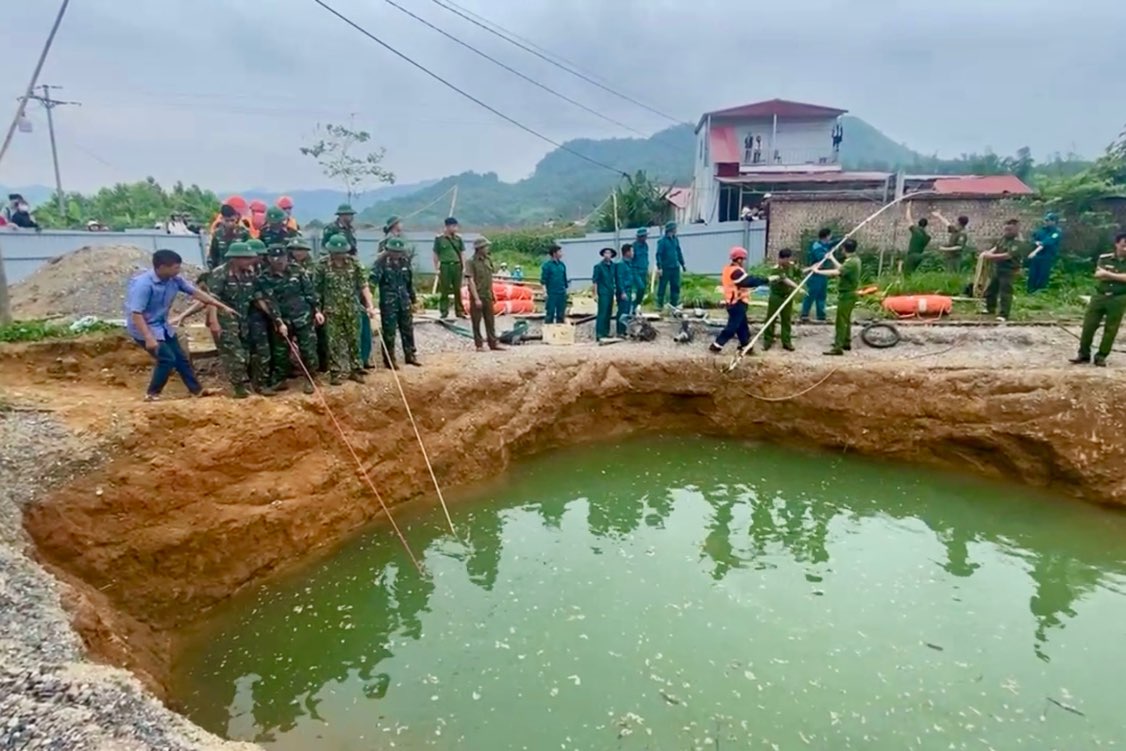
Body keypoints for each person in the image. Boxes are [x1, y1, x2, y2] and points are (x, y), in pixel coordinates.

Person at [124, 249, 234, 401]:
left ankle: (197, 390)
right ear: (162, 267)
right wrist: (149, 338)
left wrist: (221, 306)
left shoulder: (175, 279)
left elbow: (195, 293)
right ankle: (152, 394)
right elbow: (136, 314)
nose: (178, 270)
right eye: (175, 267)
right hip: (144, 327)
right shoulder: (143, 285)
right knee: (167, 359)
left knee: (181, 358)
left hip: (162, 326)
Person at [194, 242, 270, 399]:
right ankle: (239, 388)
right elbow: (212, 300)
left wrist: (274, 316)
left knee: (246, 354)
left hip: (243, 318)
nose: (251, 261)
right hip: (225, 320)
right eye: (247, 258)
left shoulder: (249, 273)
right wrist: (214, 322)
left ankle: (247, 385)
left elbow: (257, 298)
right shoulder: (219, 274)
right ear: (235, 259)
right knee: (235, 355)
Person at [256, 245, 323, 393]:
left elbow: (309, 291)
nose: (278, 261)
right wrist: (278, 321)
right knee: (280, 352)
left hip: (303, 316)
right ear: (268, 259)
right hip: (283, 319)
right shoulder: (264, 277)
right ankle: (280, 380)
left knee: (308, 349)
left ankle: (311, 378)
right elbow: (270, 301)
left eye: (281, 258)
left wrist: (317, 310)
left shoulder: (298, 271)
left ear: (287, 257)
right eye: (274, 258)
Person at [315, 234, 374, 385]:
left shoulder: (354, 264)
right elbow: (316, 290)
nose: (338, 255)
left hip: (352, 309)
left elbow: (363, 285)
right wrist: (317, 310)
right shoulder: (322, 265)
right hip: (332, 310)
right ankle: (335, 372)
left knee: (354, 340)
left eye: (341, 252)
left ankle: (356, 370)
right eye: (336, 252)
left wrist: (370, 305)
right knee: (333, 342)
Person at [1070, 232, 1126, 367]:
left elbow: (1107, 275)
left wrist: (1107, 274)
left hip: (1119, 297)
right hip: (1100, 295)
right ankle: (1083, 354)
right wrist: (1117, 276)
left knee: (1111, 329)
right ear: (1117, 244)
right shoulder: (1105, 258)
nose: (1125, 249)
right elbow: (1098, 275)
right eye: (1123, 245)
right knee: (1089, 325)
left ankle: (1101, 356)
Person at [370, 236, 420, 369]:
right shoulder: (380, 263)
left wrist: (413, 300)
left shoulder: (405, 262)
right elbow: (372, 282)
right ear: (388, 250)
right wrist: (369, 301)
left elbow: (409, 283)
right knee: (389, 331)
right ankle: (389, 359)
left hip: (404, 301)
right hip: (389, 303)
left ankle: (410, 355)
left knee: (407, 329)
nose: (397, 254)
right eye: (394, 251)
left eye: (399, 252)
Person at [709, 246, 768, 353]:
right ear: (739, 259)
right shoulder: (736, 272)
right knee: (732, 327)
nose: (744, 262)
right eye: (743, 259)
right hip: (737, 302)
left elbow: (745, 280)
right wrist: (765, 280)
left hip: (733, 301)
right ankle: (717, 345)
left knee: (742, 326)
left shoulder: (729, 269)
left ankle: (745, 345)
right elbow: (747, 281)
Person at [815, 239, 861, 356]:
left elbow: (836, 272)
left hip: (847, 295)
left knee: (841, 321)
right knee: (846, 319)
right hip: (849, 294)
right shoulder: (853, 260)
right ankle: (846, 342)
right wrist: (832, 258)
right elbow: (842, 268)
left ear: (844, 249)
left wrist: (818, 272)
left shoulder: (851, 262)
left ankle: (838, 347)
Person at [465, 236, 505, 351]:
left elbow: (489, 278)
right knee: (476, 321)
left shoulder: (488, 260)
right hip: (477, 295)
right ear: (480, 248)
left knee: (490, 320)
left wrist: (493, 293)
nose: (487, 249)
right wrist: (476, 298)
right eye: (485, 247)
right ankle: (479, 345)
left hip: (487, 294)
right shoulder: (471, 262)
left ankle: (493, 343)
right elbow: (471, 281)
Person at [980, 219, 1023, 322]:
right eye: (1005, 229)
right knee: (991, 290)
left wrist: (990, 256)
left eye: (1009, 230)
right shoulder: (1004, 238)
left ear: (1016, 229)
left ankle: (1004, 314)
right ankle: (990, 308)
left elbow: (1007, 255)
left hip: (1009, 270)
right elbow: (997, 247)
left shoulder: (1018, 242)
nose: (1006, 232)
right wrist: (988, 253)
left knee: (1005, 292)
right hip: (998, 268)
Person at [762, 247, 801, 352]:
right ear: (781, 259)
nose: (788, 261)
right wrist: (797, 287)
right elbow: (785, 280)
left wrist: (812, 268)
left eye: (789, 259)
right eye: (786, 259)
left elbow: (799, 273)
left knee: (786, 319)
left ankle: (786, 342)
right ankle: (767, 340)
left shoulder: (791, 267)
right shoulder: (776, 269)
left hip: (787, 297)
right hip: (776, 297)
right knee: (771, 318)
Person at [433, 216, 467, 319]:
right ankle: (444, 311)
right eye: (453, 226)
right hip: (445, 266)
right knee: (444, 289)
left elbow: (462, 253)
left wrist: (464, 267)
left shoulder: (458, 239)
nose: (455, 228)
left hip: (456, 265)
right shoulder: (439, 239)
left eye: (456, 226)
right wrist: (436, 268)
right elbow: (435, 254)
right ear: (447, 227)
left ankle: (459, 311)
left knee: (457, 289)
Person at [800, 228, 833, 322]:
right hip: (814, 274)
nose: (831, 237)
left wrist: (845, 238)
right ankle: (804, 314)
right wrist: (827, 256)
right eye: (830, 235)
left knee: (822, 295)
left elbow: (832, 243)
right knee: (811, 294)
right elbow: (820, 257)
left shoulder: (824, 244)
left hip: (822, 273)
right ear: (827, 236)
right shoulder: (817, 246)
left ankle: (821, 316)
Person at [1027, 213, 1064, 293]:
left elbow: (1047, 243)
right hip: (1037, 256)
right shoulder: (1041, 230)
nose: (1045, 222)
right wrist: (1035, 242)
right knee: (1033, 273)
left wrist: (1034, 251)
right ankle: (1030, 290)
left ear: (1054, 222)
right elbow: (1033, 239)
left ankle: (1040, 291)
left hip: (1046, 256)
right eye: (1045, 220)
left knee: (1043, 273)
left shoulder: (1056, 232)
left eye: (1048, 220)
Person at [207, 205, 250, 269]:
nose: (230, 223)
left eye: (232, 220)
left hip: (240, 270)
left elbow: (250, 253)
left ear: (236, 218)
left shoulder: (243, 233)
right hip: (222, 270)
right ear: (222, 219)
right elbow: (213, 255)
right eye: (227, 221)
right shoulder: (217, 234)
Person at [656, 221, 686, 309]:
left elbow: (679, 252)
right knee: (662, 286)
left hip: (675, 266)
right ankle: (659, 304)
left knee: (675, 286)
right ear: (671, 229)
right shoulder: (662, 241)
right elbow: (658, 254)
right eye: (675, 228)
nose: (676, 230)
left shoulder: (675, 240)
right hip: (666, 267)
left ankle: (674, 303)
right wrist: (659, 267)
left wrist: (682, 264)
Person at [592, 247, 619, 341]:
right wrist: (595, 294)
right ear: (603, 255)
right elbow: (595, 281)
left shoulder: (613, 266)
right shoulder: (598, 266)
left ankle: (606, 332)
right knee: (602, 313)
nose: (607, 255)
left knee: (608, 312)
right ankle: (599, 333)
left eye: (609, 253)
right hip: (603, 292)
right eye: (605, 253)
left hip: (610, 291)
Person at [540, 242, 569, 324]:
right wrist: (544, 292)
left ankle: (560, 329)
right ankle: (548, 329)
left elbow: (564, 279)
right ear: (554, 253)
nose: (561, 253)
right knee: (550, 313)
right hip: (551, 293)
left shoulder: (562, 265)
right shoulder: (547, 266)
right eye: (560, 252)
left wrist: (566, 291)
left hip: (561, 292)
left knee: (561, 313)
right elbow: (543, 280)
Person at [615, 244, 637, 336]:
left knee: (627, 311)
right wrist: (622, 292)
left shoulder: (629, 263)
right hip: (623, 291)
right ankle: (620, 331)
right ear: (627, 252)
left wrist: (633, 291)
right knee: (622, 311)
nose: (633, 253)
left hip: (629, 290)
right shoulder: (621, 264)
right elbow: (619, 279)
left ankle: (624, 330)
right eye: (632, 251)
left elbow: (631, 278)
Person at [904, 204, 931, 274]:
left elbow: (908, 219)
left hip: (911, 256)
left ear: (918, 223)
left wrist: (908, 208)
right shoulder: (928, 237)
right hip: (920, 256)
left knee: (907, 274)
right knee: (915, 274)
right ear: (926, 225)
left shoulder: (915, 231)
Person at [631, 227, 650, 309]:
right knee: (640, 287)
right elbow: (631, 259)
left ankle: (637, 305)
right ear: (640, 237)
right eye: (644, 236)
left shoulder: (645, 245)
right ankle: (634, 304)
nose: (646, 237)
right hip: (636, 270)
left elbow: (646, 258)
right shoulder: (634, 246)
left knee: (643, 289)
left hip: (644, 270)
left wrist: (647, 268)